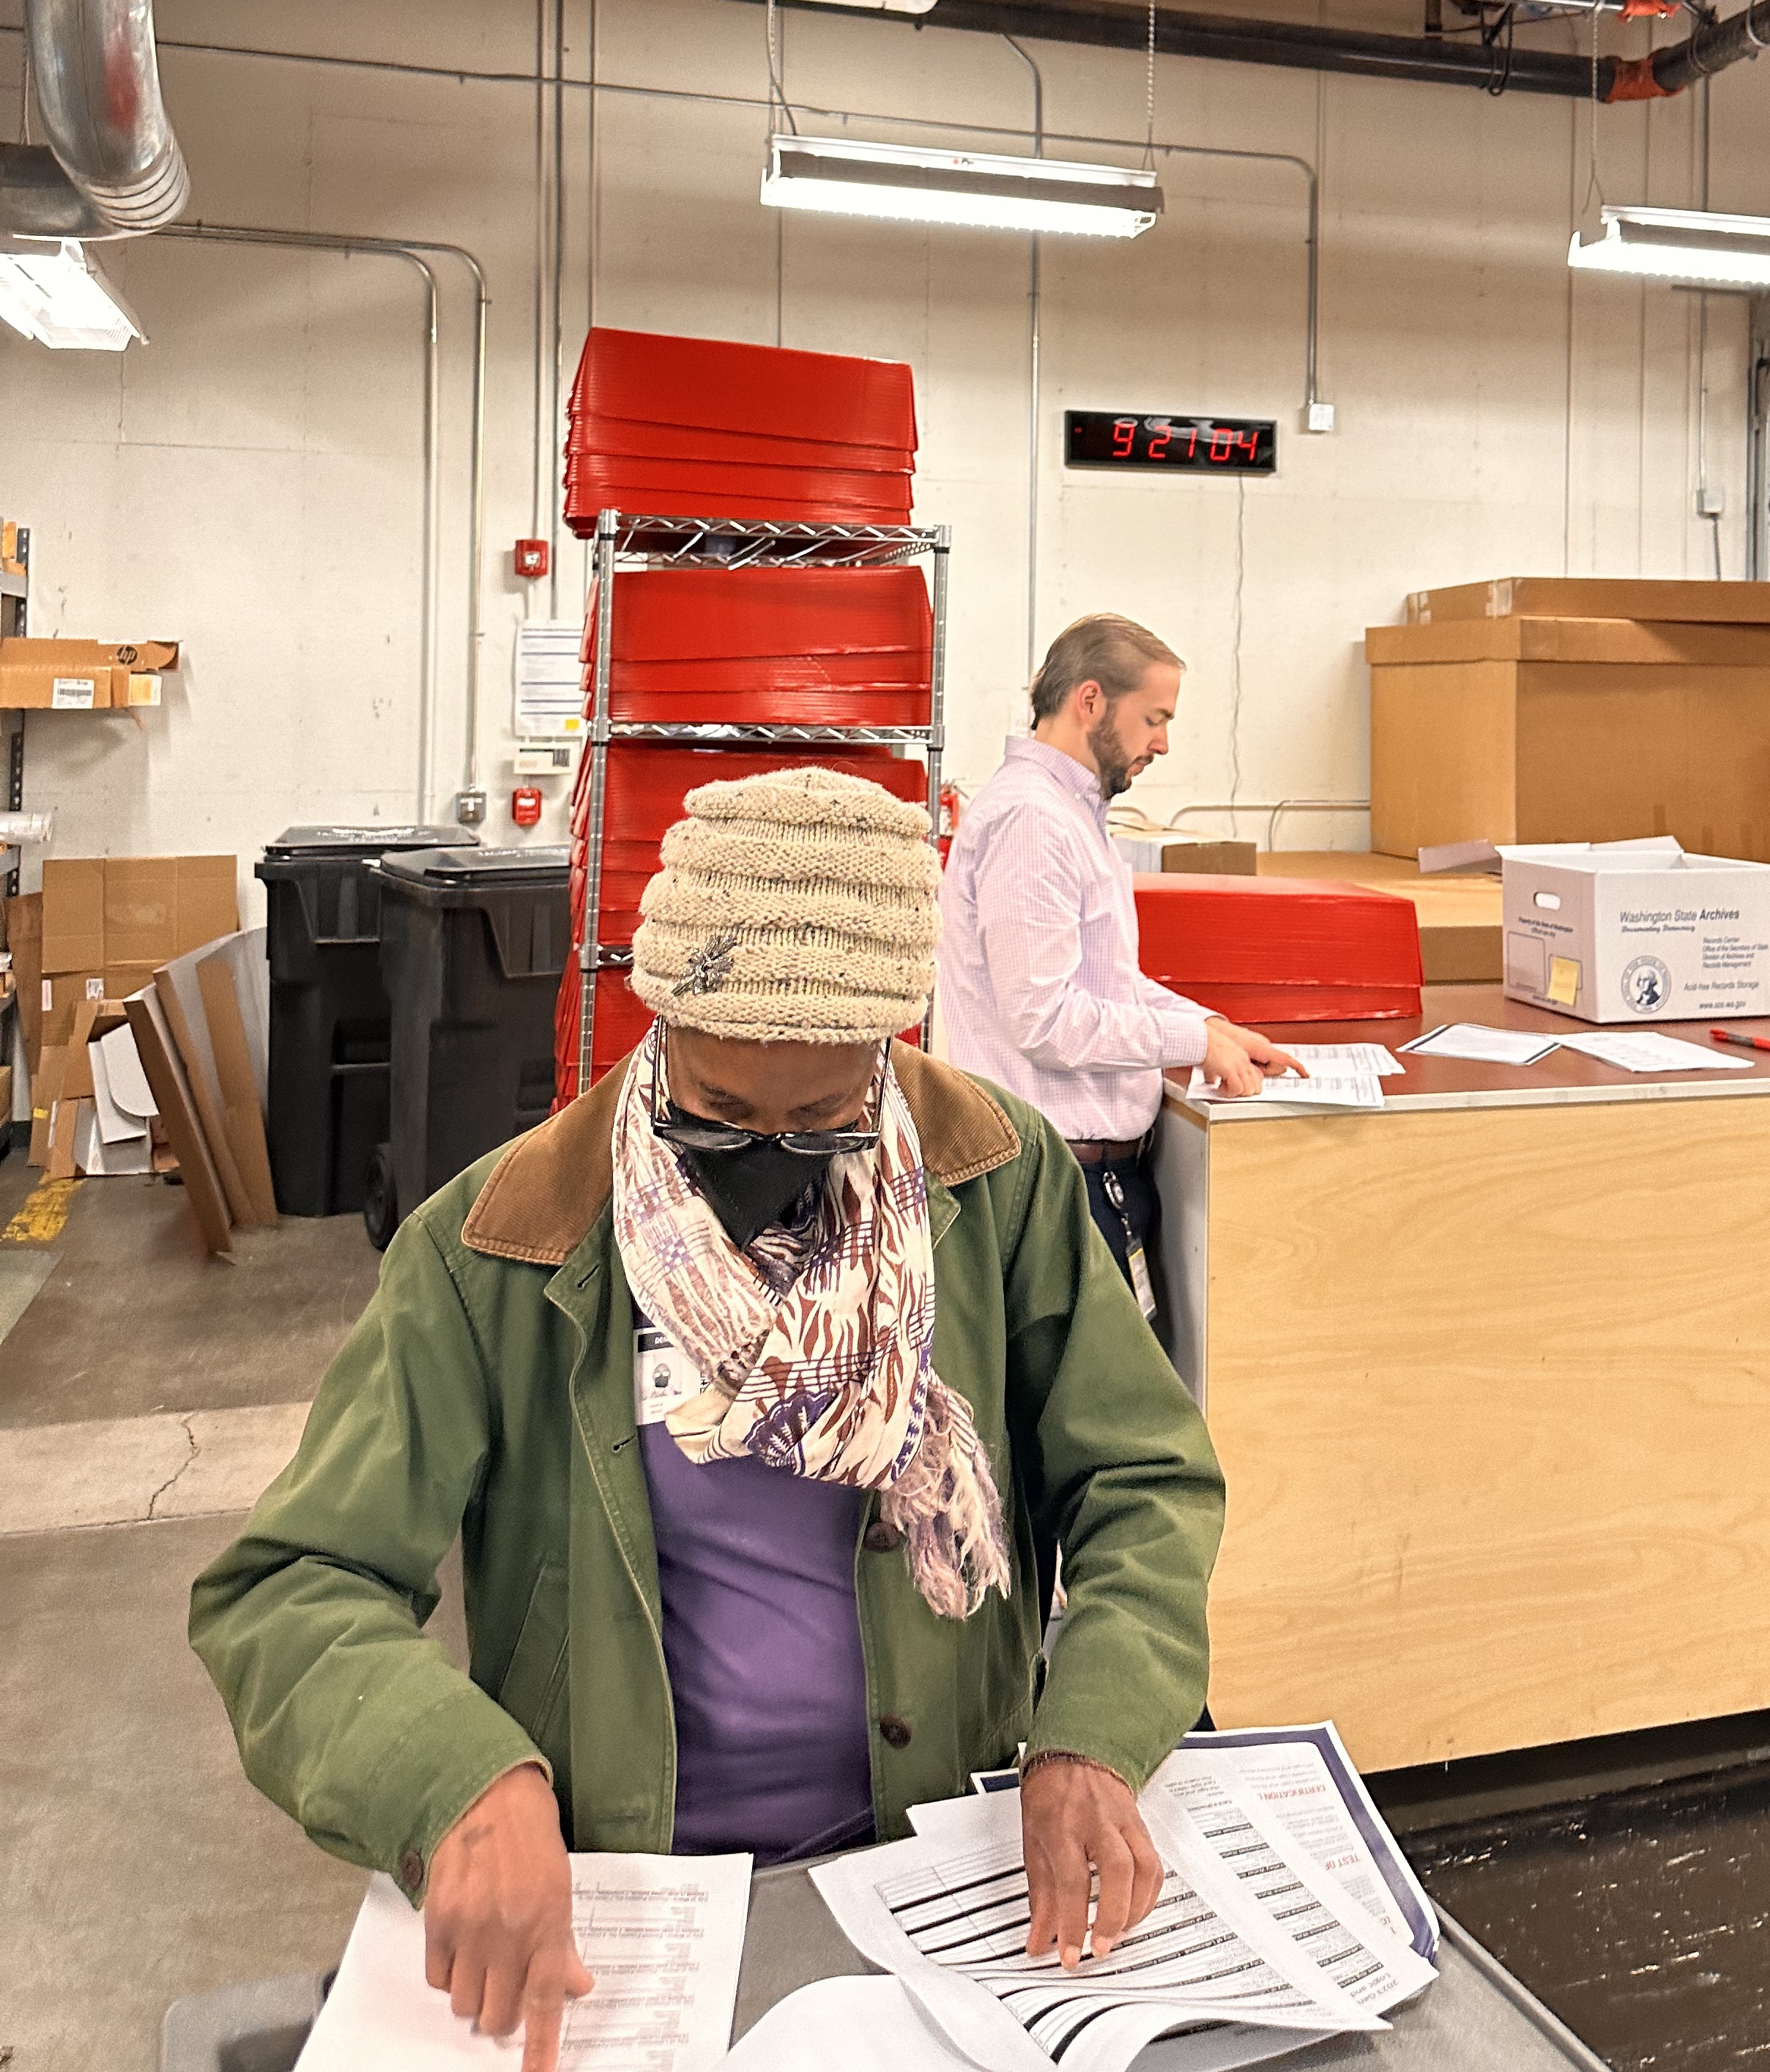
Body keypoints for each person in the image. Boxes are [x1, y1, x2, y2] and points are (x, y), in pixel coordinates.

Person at [191, 768, 1224, 2071]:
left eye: (823, 1117)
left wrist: (1095, 1729)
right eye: (721, 1113)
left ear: (889, 1054)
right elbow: (293, 1585)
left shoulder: (992, 1186)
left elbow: (1144, 1478)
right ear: (660, 1029)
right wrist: (454, 1778)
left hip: (937, 1881)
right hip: (629, 1898)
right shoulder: (503, 1244)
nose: (769, 1154)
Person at [936, 612, 1306, 1312]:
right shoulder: (1033, 821)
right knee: (1085, 1417)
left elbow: (1105, 984)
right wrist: (1194, 1042)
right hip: (1055, 1193)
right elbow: (1045, 1019)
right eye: (1153, 719)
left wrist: (1215, 1027)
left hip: (1087, 1185)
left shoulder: (1070, 814)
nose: (1162, 744)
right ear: (1091, 701)